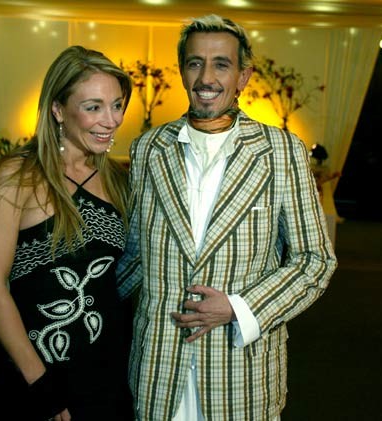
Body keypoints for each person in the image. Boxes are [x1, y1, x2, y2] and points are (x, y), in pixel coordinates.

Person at [116, 15, 337, 420]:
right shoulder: (148, 149)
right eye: (195, 63)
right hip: (158, 371)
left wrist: (239, 307)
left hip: (241, 372)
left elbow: (315, 260)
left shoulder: (281, 151)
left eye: (221, 64)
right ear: (183, 71)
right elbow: (135, 256)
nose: (207, 77)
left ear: (242, 77)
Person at [0, 45, 133, 421]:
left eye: (117, 105)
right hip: (39, 376)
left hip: (110, 374)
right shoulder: (17, 176)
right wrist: (41, 385)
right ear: (58, 110)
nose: (111, 120)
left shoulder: (118, 179)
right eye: (93, 107)